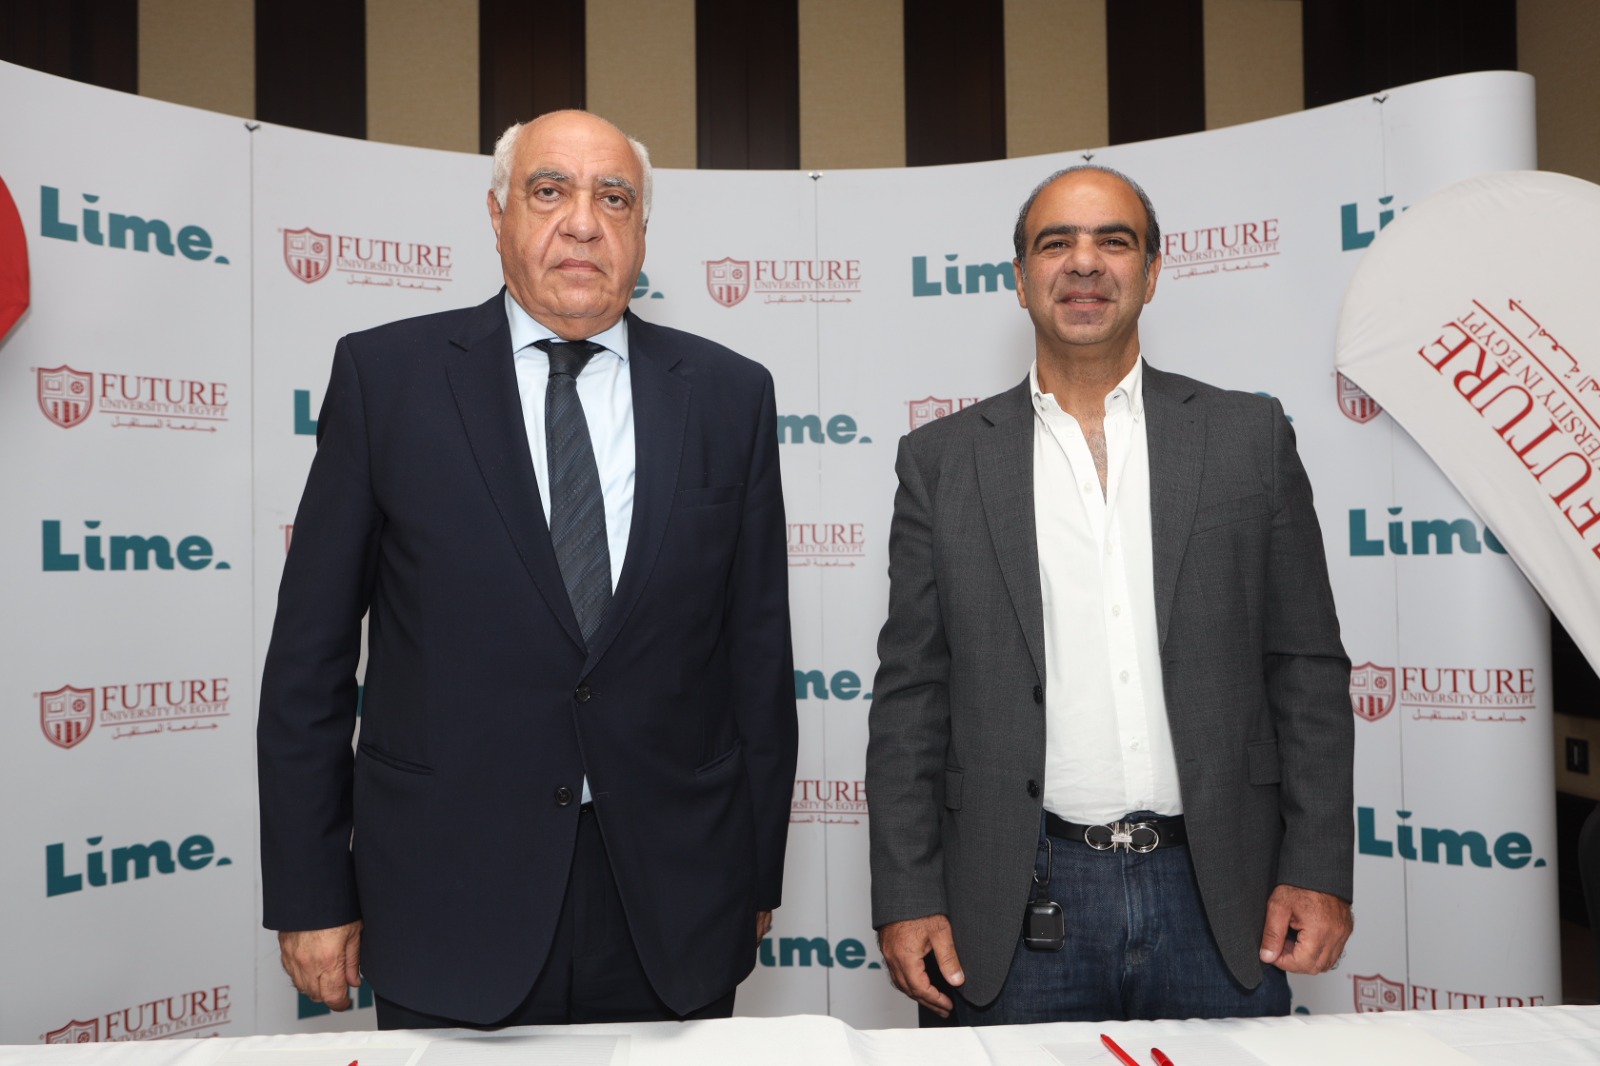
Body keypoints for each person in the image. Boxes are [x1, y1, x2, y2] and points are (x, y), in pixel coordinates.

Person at [257, 110, 797, 1029]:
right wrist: (312, 893)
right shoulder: (386, 379)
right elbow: (309, 661)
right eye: (550, 192)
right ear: (497, 214)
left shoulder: (729, 394)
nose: (582, 222)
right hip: (447, 894)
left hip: (675, 901)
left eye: (613, 199)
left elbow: (756, 660)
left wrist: (751, 876)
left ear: (642, 230)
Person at [866, 165, 1353, 1024]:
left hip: (1220, 898)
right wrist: (907, 893)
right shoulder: (941, 462)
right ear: (1020, 279)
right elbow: (912, 696)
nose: (1084, 263)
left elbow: (1305, 668)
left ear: (1153, 272)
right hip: (1015, 903)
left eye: (1113, 241)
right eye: (1056, 242)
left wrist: (1315, 867)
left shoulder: (1249, 438)